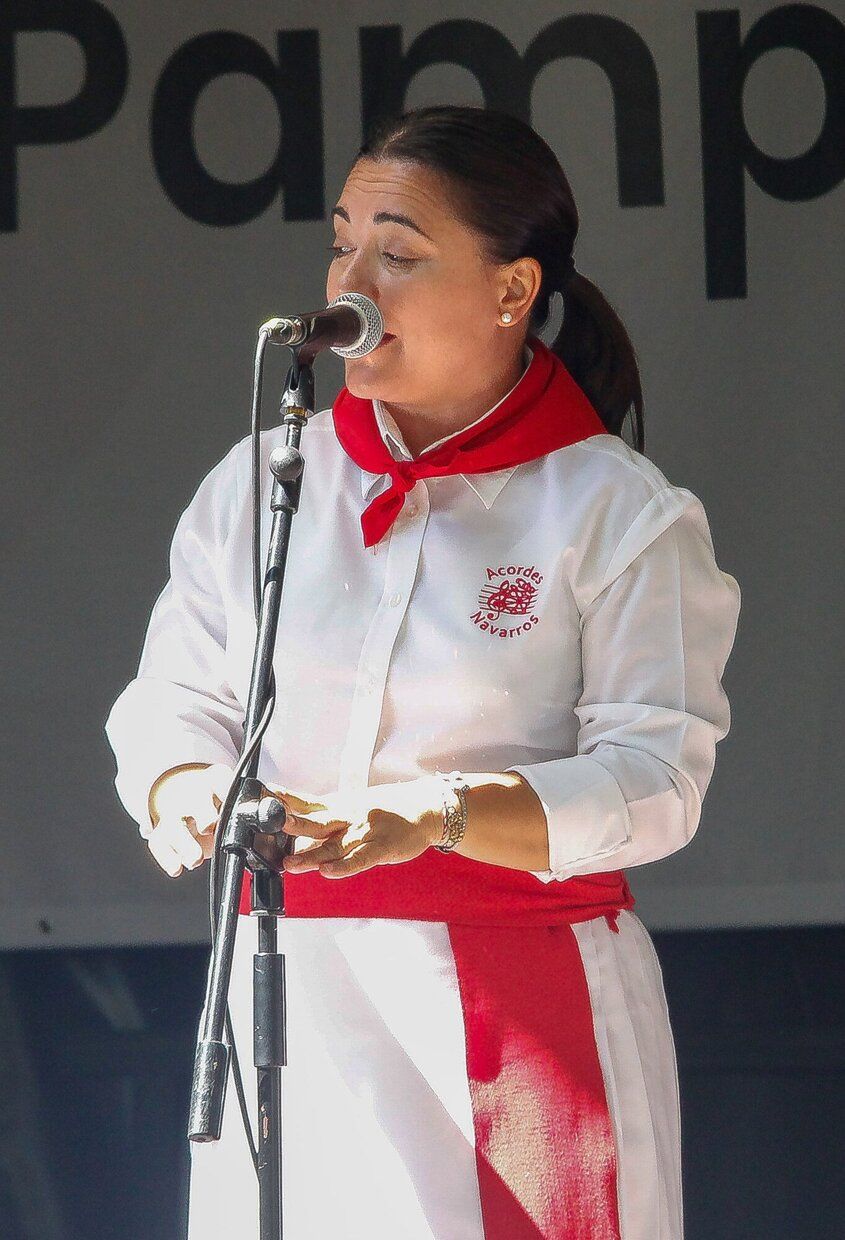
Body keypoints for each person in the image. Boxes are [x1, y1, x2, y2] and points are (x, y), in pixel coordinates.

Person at [105, 105, 741, 1240]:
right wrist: (177, 784)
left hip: (519, 993)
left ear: (510, 290)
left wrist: (432, 816)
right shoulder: (262, 480)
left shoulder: (615, 511)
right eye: (341, 243)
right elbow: (174, 699)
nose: (352, 280)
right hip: (291, 982)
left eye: (397, 254)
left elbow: (655, 781)